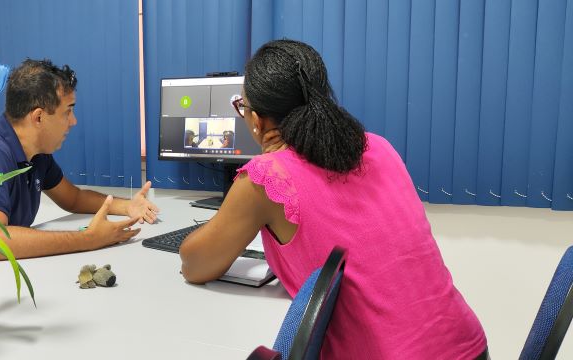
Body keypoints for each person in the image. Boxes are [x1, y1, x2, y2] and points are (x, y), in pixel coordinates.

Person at [178, 40, 487, 359]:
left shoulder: (267, 177)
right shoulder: (378, 146)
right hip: (470, 344)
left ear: (256, 120)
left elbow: (195, 265)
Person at [0, 59, 159, 260]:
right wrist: (88, 239)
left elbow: (73, 198)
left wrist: (128, 206)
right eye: (68, 111)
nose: (73, 121)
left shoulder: (36, 154)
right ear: (38, 117)